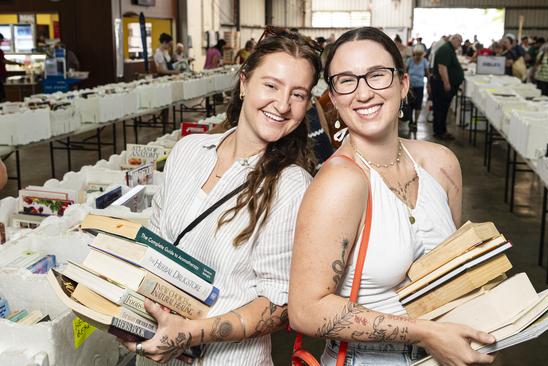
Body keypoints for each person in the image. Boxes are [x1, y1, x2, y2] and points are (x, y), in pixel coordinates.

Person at [288, 26, 495, 366]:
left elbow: (453, 272)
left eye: (377, 75)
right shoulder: (339, 182)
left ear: (402, 84)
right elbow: (306, 311)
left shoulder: (440, 164)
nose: (363, 93)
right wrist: (423, 332)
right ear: (335, 98)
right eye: (346, 80)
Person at [121, 27, 322, 365]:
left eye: (298, 94)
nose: (283, 105)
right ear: (244, 83)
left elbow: (278, 305)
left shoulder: (291, 186)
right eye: (271, 85)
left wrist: (190, 333)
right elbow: (154, 245)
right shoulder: (187, 151)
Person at [432, 33, 464, 140]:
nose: (459, 45)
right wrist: (446, 83)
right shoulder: (446, 49)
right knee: (441, 108)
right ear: (454, 39)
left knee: (443, 109)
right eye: (459, 42)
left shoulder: (449, 49)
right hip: (441, 85)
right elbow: (442, 67)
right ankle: (440, 132)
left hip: (442, 84)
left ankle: (441, 130)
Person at [405, 47, 429, 126]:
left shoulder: (424, 62)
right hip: (410, 86)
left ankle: (415, 122)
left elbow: (427, 73)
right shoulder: (409, 61)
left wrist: (429, 84)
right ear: (414, 54)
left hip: (420, 86)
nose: (418, 56)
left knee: (418, 105)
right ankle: (411, 121)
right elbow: (405, 72)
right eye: (416, 54)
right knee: (410, 104)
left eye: (419, 55)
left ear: (422, 55)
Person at [0, 33, 22, 102]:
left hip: (1, 75)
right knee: (2, 95)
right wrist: (17, 63)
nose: (1, 42)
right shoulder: (0, 51)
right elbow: (4, 61)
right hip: (0, 76)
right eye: (1, 41)